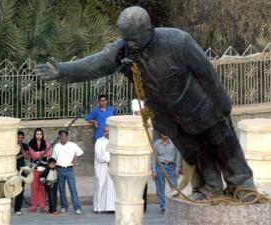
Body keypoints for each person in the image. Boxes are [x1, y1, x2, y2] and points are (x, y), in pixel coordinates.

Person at [35, 6, 255, 200]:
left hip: (201, 108)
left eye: (133, 38)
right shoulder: (124, 50)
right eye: (125, 38)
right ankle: (211, 186)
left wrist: (223, 104)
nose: (129, 43)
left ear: (149, 30)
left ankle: (243, 185)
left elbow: (207, 73)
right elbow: (96, 64)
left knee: (224, 144)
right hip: (170, 118)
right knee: (196, 152)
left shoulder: (178, 40)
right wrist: (63, 70)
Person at [52, 130, 84, 215]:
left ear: (67, 136)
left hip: (69, 170)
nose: (63, 137)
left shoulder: (72, 145)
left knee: (73, 189)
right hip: (59, 170)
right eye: (61, 136)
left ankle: (77, 208)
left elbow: (80, 152)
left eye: (65, 135)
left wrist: (75, 157)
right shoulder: (56, 147)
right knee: (61, 190)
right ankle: (64, 206)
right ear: (59, 137)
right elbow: (54, 159)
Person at [152, 133, 181, 214]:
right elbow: (153, 156)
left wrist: (177, 168)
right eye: (162, 133)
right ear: (160, 134)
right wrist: (153, 170)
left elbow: (178, 155)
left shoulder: (174, 143)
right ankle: (163, 207)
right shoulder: (156, 143)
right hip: (160, 166)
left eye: (166, 132)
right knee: (160, 188)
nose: (164, 134)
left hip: (171, 167)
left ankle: (175, 206)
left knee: (175, 188)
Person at [131, 98, 149, 212]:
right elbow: (139, 113)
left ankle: (143, 204)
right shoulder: (134, 101)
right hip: (135, 143)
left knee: (144, 178)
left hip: (144, 145)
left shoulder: (149, 101)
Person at [28, 128, 51, 213]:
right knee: (34, 188)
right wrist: (41, 153)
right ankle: (33, 206)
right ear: (35, 135)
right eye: (37, 134)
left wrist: (38, 153)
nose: (39, 136)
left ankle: (42, 206)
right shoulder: (30, 143)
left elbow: (48, 153)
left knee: (42, 188)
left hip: (43, 169)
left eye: (40, 134)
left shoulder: (46, 142)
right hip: (34, 169)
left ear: (42, 135)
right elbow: (33, 155)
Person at [93, 127, 115, 213]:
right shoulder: (99, 141)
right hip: (102, 166)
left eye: (109, 131)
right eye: (105, 131)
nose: (107, 133)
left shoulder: (115, 140)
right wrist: (108, 160)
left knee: (112, 187)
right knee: (101, 185)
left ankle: (111, 207)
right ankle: (99, 207)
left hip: (113, 166)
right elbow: (98, 155)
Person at [13, 131, 30, 216]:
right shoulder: (12, 146)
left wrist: (22, 149)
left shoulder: (25, 146)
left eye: (21, 138)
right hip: (12, 169)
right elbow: (12, 158)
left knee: (20, 189)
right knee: (11, 188)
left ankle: (17, 209)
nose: (20, 139)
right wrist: (21, 155)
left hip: (22, 170)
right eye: (18, 137)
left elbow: (27, 157)